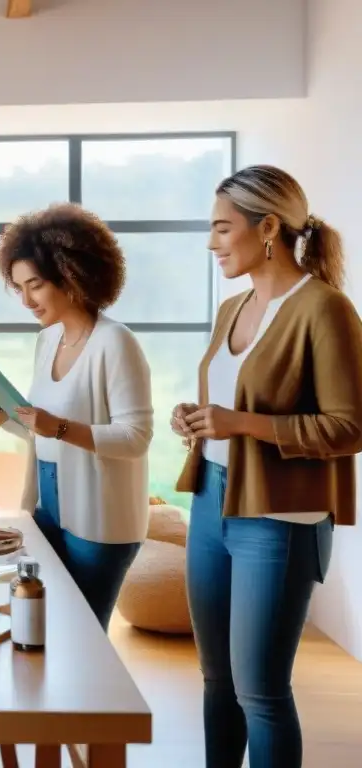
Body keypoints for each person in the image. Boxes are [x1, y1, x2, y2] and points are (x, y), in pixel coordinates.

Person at [171, 165, 362, 768]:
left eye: (222, 228)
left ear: (269, 227)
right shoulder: (232, 309)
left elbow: (350, 426)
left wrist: (242, 424)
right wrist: (198, 418)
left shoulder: (325, 308)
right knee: (215, 680)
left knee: (261, 692)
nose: (212, 243)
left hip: (279, 520)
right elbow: (235, 403)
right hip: (212, 502)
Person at [0, 203, 153, 631]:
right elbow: (44, 432)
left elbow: (136, 437)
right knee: (41, 630)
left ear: (72, 274)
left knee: (83, 640)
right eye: (18, 287)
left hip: (100, 521)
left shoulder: (116, 342)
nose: (25, 300)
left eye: (34, 285)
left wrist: (56, 426)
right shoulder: (47, 340)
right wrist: (9, 418)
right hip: (47, 509)